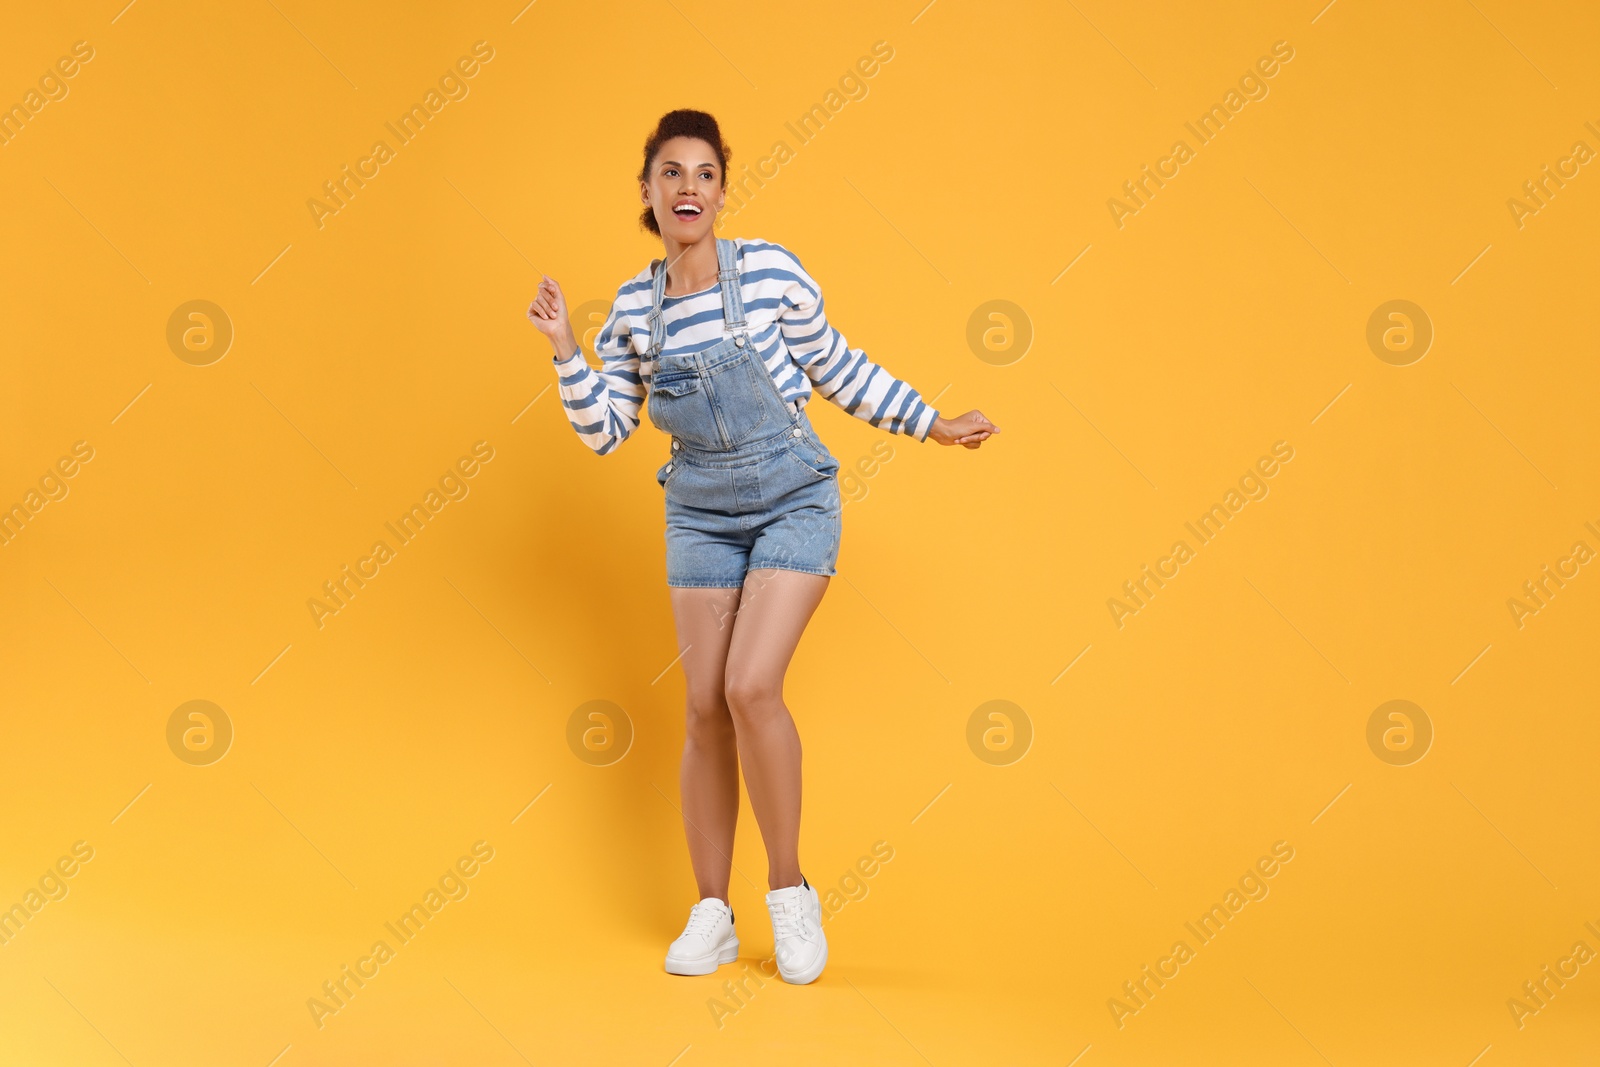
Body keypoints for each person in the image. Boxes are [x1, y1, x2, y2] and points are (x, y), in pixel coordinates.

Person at [526, 108, 999, 985]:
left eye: (704, 173)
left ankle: (790, 891)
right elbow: (606, 431)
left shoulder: (771, 272)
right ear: (647, 194)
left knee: (751, 686)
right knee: (704, 704)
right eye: (671, 173)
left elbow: (840, 367)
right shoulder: (633, 307)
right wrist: (563, 351)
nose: (689, 188)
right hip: (699, 516)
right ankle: (712, 908)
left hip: (793, 501)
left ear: (722, 189)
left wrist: (931, 422)